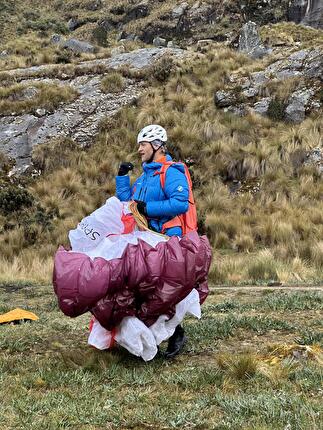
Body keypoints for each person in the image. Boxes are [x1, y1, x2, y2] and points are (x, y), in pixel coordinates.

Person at [116, 124, 190, 358]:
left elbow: (180, 202)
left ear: (156, 145)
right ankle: (151, 338)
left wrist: (149, 209)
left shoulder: (171, 173)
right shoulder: (145, 177)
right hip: (146, 239)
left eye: (143, 144)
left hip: (166, 239)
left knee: (163, 290)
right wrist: (122, 177)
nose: (139, 149)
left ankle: (175, 331)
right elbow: (128, 202)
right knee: (144, 288)